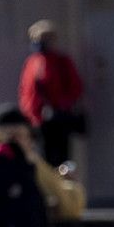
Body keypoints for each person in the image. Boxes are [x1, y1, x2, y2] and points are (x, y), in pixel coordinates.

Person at [0, 102, 86, 219]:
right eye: (9, 137)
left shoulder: (33, 163)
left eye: (17, 136)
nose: (10, 143)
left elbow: (70, 205)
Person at [18, 19, 84, 167]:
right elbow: (26, 91)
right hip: (37, 120)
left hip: (58, 119)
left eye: (44, 39)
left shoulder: (62, 62)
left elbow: (76, 88)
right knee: (42, 160)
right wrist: (29, 113)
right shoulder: (31, 62)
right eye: (37, 39)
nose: (40, 43)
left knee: (62, 160)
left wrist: (61, 104)